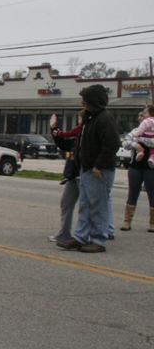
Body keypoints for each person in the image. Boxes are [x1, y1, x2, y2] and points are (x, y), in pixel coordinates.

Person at [57, 84, 119, 253]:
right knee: (85, 206)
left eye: (84, 99)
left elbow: (112, 145)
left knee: (98, 206)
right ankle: (80, 237)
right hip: (85, 169)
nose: (82, 101)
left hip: (99, 171)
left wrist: (99, 165)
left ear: (92, 100)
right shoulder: (90, 118)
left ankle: (99, 240)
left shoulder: (104, 119)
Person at [48, 112, 84, 243]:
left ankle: (85, 236)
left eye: (80, 118)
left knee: (86, 207)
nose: (78, 120)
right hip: (72, 176)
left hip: (84, 175)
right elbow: (62, 143)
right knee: (66, 203)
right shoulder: (75, 137)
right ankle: (64, 234)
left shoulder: (87, 136)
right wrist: (53, 128)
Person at [120, 105, 154, 232]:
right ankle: (127, 221)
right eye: (139, 115)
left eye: (143, 115)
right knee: (132, 193)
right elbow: (125, 143)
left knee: (152, 194)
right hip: (135, 167)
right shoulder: (135, 130)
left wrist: (142, 140)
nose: (140, 117)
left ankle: (152, 223)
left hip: (150, 168)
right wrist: (135, 145)